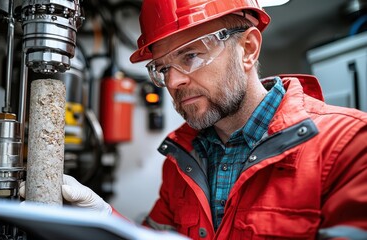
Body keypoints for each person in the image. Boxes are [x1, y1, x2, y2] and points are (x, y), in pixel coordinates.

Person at [21, 0, 367, 239]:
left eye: (191, 55)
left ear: (248, 48)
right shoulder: (183, 160)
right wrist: (101, 220)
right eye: (163, 68)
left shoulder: (349, 144)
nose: (173, 82)